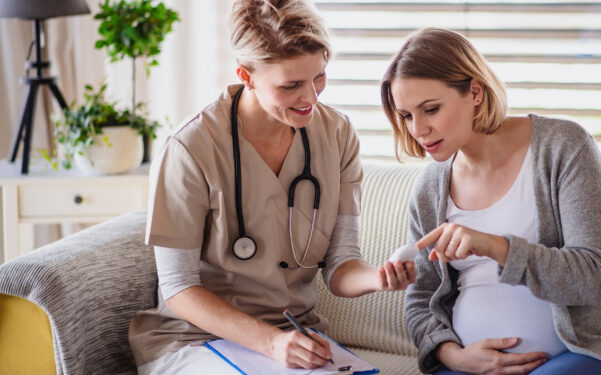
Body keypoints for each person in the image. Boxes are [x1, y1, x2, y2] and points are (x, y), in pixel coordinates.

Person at [128, 1, 416, 373]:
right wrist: (271, 343)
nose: (311, 97)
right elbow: (178, 288)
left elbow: (342, 264)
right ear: (246, 76)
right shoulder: (190, 148)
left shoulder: (337, 134)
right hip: (195, 338)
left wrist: (377, 277)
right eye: (291, 85)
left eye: (319, 76)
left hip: (296, 334)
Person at [380, 28, 601, 375]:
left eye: (431, 109)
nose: (418, 130)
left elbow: (594, 276)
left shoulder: (564, 147)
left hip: (581, 356)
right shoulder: (429, 188)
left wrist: (496, 247)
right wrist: (453, 356)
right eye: (407, 115)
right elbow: (422, 300)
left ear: (475, 92)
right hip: (468, 367)